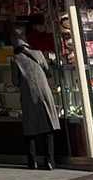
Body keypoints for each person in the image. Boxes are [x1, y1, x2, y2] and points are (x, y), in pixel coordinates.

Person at [11, 36, 61, 170]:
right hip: (45, 94)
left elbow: (15, 81)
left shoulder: (15, 59)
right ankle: (50, 161)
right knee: (48, 127)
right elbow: (48, 72)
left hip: (29, 96)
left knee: (30, 129)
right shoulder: (39, 54)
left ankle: (32, 161)